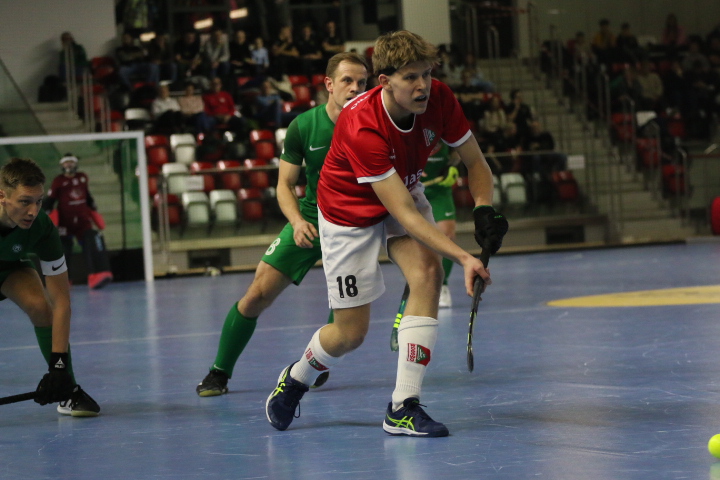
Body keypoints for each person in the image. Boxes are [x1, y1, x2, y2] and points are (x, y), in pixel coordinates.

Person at [264, 30, 508, 437]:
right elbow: (406, 216)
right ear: (384, 82)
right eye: (410, 77)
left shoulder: (440, 98)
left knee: (427, 272)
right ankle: (297, 377)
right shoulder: (361, 123)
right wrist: (464, 257)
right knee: (350, 334)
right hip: (348, 213)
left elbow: (476, 163)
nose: (422, 85)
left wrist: (483, 208)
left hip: (403, 188)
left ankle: (402, 406)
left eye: (426, 74)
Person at [195, 52, 369, 397]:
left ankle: (315, 361)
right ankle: (219, 372)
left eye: (362, 82)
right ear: (329, 84)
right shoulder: (304, 125)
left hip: (356, 226)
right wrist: (297, 222)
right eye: (347, 81)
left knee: (345, 315)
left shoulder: (375, 124)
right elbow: (284, 185)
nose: (355, 88)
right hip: (312, 219)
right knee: (256, 295)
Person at [0, 157, 100, 416]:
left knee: (41, 307)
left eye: (38, 201)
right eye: (25, 202)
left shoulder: (43, 228)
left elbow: (62, 302)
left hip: (8, 267)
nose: (33, 211)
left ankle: (69, 392)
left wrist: (59, 367)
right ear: (2, 196)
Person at [44, 154, 113, 290]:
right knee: (62, 250)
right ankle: (63, 281)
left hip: (83, 222)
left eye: (71, 162)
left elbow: (87, 195)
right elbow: (50, 200)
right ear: (62, 165)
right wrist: (46, 214)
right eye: (66, 162)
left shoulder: (82, 178)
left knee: (92, 240)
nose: (69, 165)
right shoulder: (59, 181)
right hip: (65, 223)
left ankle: (97, 275)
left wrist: (92, 206)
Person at [420, 143, 461, 308]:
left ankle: (442, 285)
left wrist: (452, 165)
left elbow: (460, 148)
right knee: (416, 241)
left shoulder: (444, 127)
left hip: (439, 188)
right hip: (409, 186)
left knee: (447, 235)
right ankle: (420, 285)